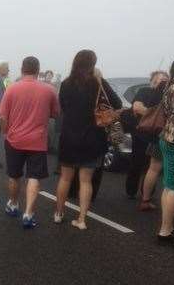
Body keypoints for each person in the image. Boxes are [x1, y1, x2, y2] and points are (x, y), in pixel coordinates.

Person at [54, 50, 122, 230]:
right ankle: (82, 219)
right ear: (93, 65)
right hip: (93, 138)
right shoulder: (97, 83)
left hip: (69, 137)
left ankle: (59, 213)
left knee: (65, 178)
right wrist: (101, 79)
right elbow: (117, 104)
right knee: (86, 181)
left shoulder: (66, 84)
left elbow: (63, 107)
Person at [0, 56, 59, 229]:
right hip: (38, 141)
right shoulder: (49, 90)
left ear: (22, 69)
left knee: (14, 175)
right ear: (38, 70)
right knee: (34, 177)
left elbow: (2, 116)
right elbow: (56, 113)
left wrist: (5, 131)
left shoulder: (11, 89)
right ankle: (29, 213)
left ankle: (13, 203)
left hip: (14, 139)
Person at [125, 71, 169, 204]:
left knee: (152, 166)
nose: (163, 81)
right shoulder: (144, 91)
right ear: (153, 80)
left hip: (157, 135)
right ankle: (131, 190)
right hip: (141, 133)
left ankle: (146, 194)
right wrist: (155, 115)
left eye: (165, 79)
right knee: (136, 162)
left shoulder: (167, 95)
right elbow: (137, 107)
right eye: (160, 79)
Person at [158, 59, 174, 246]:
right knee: (173, 186)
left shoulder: (169, 87)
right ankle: (165, 230)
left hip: (167, 136)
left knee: (169, 184)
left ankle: (167, 226)